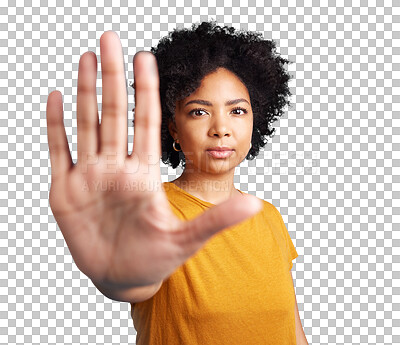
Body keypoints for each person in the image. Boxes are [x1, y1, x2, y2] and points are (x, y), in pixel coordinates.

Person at [46, 19, 308, 345]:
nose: (221, 128)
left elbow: (294, 334)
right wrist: (118, 276)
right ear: (172, 128)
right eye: (199, 112)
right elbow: (134, 280)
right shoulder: (151, 211)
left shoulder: (268, 217)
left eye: (237, 111)